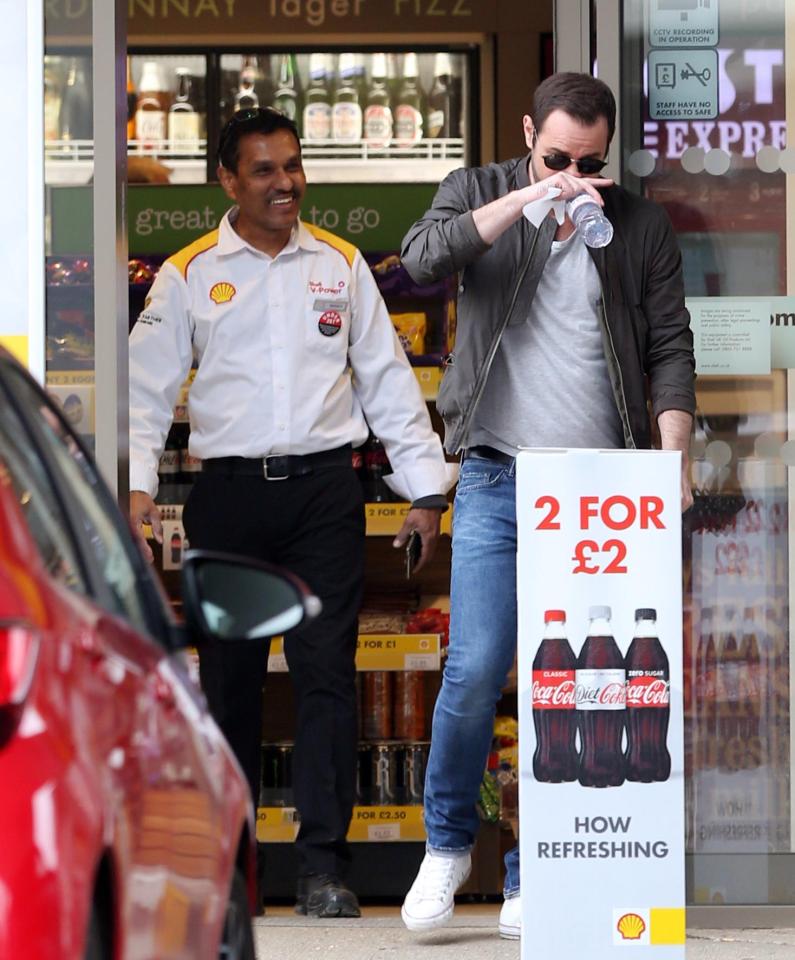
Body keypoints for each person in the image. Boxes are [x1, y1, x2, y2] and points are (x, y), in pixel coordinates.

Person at [128, 107, 456, 918]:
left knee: (324, 678)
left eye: (293, 166)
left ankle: (322, 869)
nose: (286, 183)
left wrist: (423, 491)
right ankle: (232, 869)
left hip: (323, 494)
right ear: (229, 181)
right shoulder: (189, 273)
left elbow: (385, 382)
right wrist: (137, 493)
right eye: (266, 170)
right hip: (229, 499)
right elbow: (141, 396)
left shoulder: (340, 266)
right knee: (232, 687)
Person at [398, 72, 695, 939]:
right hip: (496, 472)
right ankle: (447, 846)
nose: (574, 173)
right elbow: (421, 260)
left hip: (598, 488)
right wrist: (532, 195)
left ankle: (539, 868)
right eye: (557, 154)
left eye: (590, 162)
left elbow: (671, 344)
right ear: (529, 134)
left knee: (566, 685)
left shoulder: (636, 225)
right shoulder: (481, 192)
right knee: (475, 666)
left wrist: (669, 462)